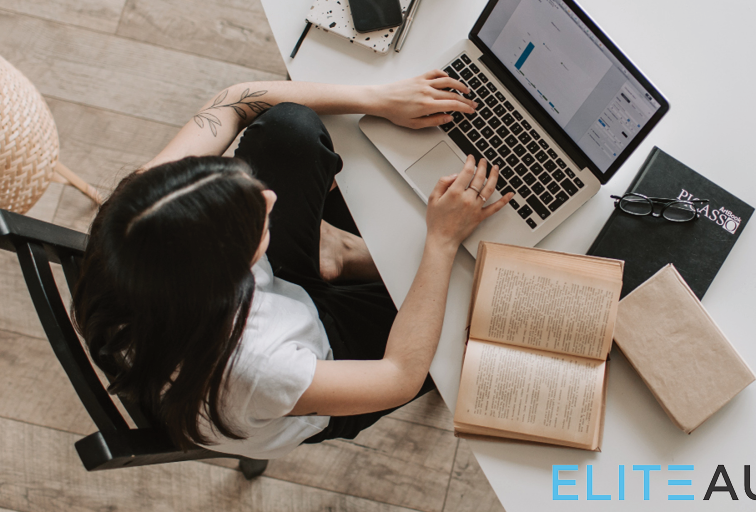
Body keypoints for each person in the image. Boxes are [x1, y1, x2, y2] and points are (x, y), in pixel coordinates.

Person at [72, 71, 513, 460]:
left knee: (288, 127)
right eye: (255, 223)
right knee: (477, 311)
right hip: (321, 364)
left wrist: (378, 98)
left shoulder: (139, 217)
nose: (269, 197)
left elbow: (233, 101)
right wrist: (440, 241)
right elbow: (398, 376)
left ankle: (335, 254)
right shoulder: (260, 367)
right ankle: (341, 256)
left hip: (255, 309)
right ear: (231, 276)